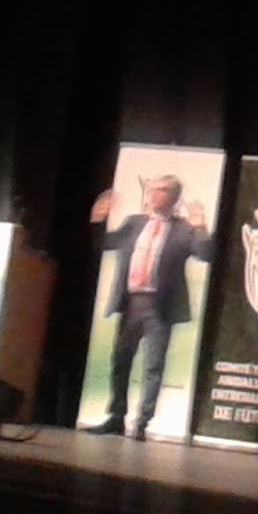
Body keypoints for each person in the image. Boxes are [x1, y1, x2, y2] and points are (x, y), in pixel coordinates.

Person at [82, 175, 212, 441]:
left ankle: (142, 422)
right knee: (120, 361)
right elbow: (106, 244)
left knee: (153, 366)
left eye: (160, 190)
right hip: (131, 303)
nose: (153, 195)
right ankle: (116, 417)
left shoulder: (184, 229)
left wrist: (201, 228)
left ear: (173, 197)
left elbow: (205, 254)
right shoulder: (134, 223)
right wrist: (98, 221)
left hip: (160, 308)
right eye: (152, 190)